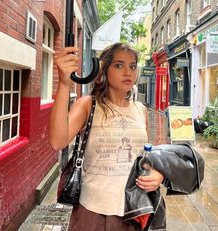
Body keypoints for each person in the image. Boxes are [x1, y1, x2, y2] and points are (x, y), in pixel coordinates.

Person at [49, 42, 164, 231]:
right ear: (104, 70)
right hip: (92, 212)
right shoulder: (88, 105)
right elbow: (57, 141)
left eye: (132, 66)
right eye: (119, 65)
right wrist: (63, 84)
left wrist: (156, 174)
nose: (128, 72)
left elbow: (146, 156)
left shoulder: (141, 110)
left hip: (133, 211)